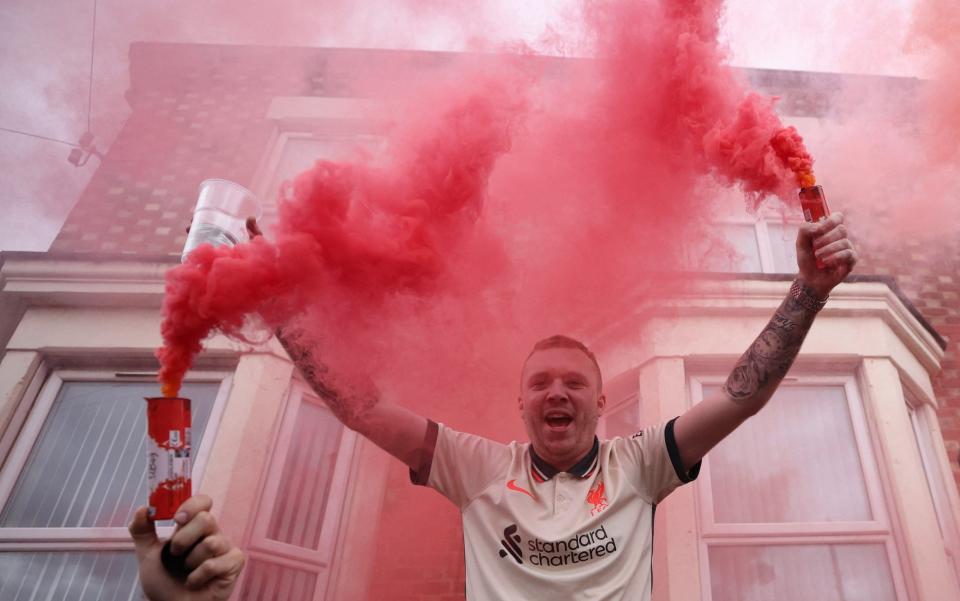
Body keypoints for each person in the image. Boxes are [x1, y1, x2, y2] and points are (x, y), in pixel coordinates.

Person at [134, 213, 856, 600]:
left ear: (603, 401)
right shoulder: (477, 466)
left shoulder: (641, 463)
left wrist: (810, 290)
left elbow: (742, 392)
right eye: (541, 381)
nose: (557, 392)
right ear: (519, 403)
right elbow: (363, 408)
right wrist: (288, 312)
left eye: (574, 381)